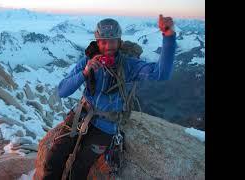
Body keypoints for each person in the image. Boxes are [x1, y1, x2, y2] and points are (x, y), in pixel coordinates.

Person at [41, 14, 176, 180]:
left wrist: (168, 37)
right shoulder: (87, 61)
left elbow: (161, 74)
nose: (108, 46)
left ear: (119, 42)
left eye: (112, 41)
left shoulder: (128, 65)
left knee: (79, 169)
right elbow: (62, 91)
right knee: (54, 158)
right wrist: (85, 72)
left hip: (106, 125)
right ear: (97, 43)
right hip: (81, 115)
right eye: (103, 41)